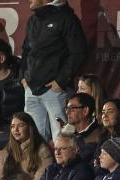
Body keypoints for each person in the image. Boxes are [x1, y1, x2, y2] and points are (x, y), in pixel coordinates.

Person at [20, 0, 88, 141]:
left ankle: (64, 164)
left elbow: (78, 52)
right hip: (31, 90)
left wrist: (61, 81)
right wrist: (23, 77)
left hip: (55, 92)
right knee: (32, 141)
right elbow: (26, 51)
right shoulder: (33, 20)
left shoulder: (67, 18)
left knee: (62, 139)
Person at [24, 127, 94, 180]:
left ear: (75, 150)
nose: (57, 153)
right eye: (56, 149)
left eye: (63, 149)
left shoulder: (83, 170)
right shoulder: (51, 169)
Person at [64, 92, 104, 161]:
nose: (67, 112)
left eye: (72, 108)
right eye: (67, 108)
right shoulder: (66, 133)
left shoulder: (99, 135)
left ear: (85, 111)